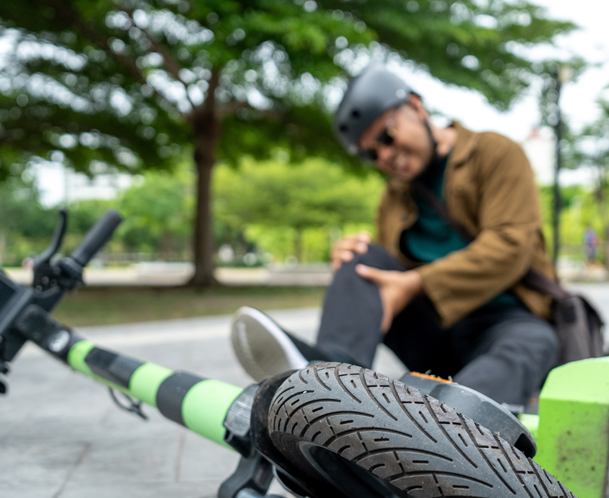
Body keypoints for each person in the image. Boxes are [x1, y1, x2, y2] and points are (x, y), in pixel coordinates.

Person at [231, 68, 559, 408]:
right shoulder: (394, 198)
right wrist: (355, 267)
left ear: (416, 106)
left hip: (507, 323)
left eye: (386, 136)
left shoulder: (493, 152)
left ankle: (452, 421)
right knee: (362, 259)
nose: (384, 156)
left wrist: (416, 283)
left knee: (533, 341)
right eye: (372, 154)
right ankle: (330, 380)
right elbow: (387, 279)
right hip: (437, 334)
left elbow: (511, 245)